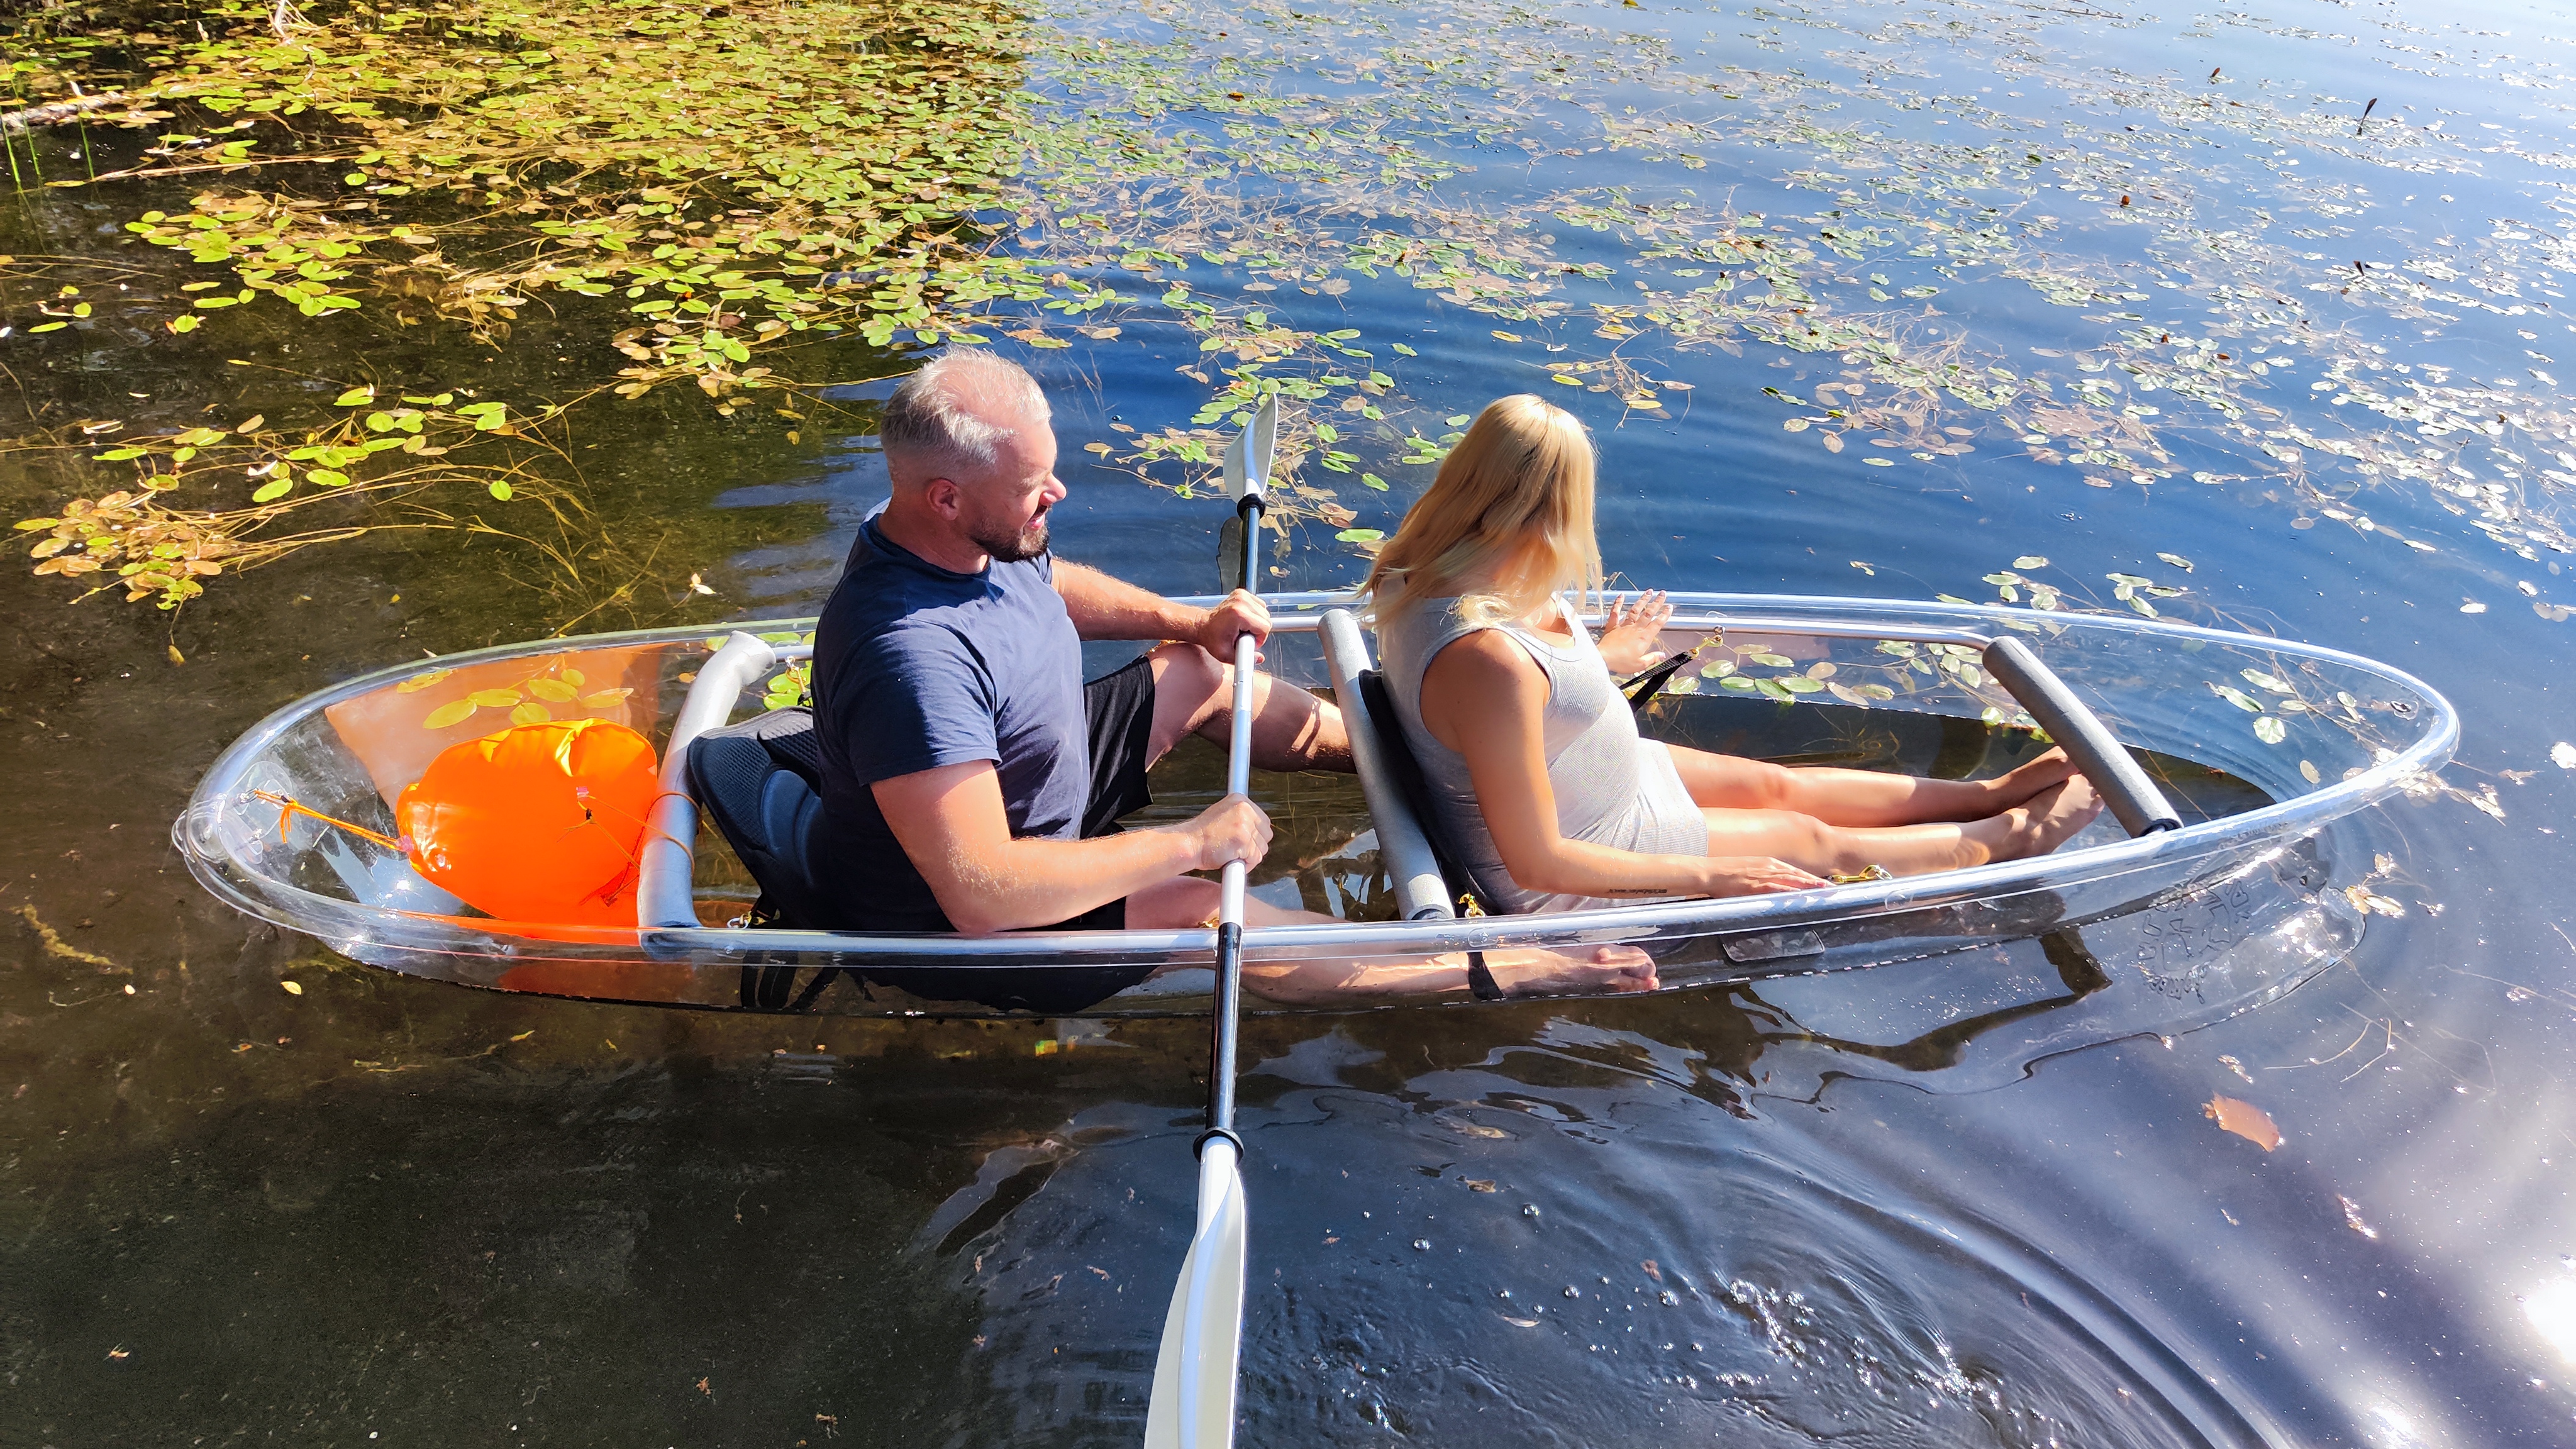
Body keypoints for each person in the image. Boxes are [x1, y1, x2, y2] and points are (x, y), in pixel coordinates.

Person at [809, 352, 1653, 1008]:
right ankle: (1505, 968)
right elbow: (981, 894)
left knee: (1205, 673)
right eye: (1035, 491)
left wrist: (1190, 622)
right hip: (964, 923)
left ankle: (1401, 756)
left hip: (1038, 779)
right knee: (1195, 910)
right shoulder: (909, 659)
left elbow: (1049, 583)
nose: (1058, 497)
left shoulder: (969, 535)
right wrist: (1193, 843)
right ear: (946, 498)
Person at [1363, 393, 2104, 915]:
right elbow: (1537, 861)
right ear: (1558, 509)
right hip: (1582, 856)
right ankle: (2015, 838)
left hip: (1602, 783)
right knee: (1808, 839)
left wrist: (1607, 658)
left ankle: (1989, 793)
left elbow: (1519, 701)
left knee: (1776, 787)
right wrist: (1714, 874)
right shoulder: (1484, 656)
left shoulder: (1423, 565)